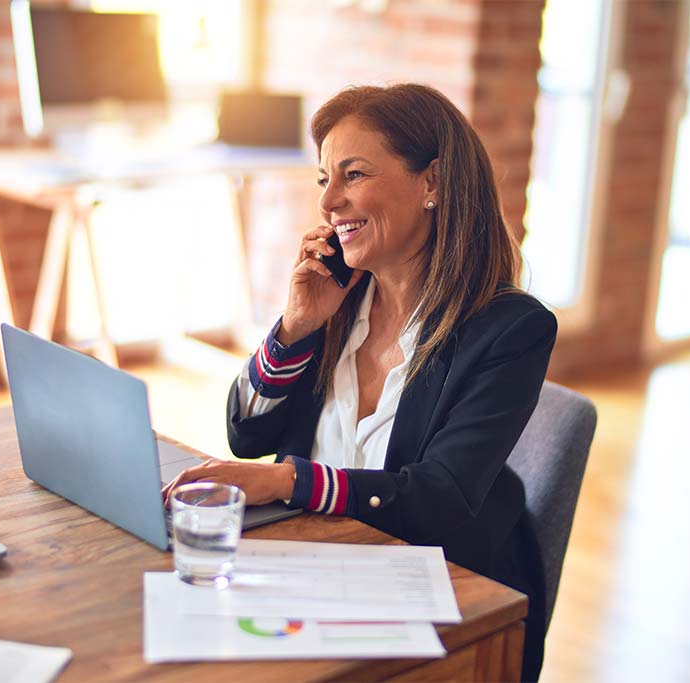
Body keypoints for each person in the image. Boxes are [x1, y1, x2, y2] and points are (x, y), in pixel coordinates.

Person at [164, 83, 556, 680]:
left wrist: (287, 481)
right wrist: (293, 331)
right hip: (320, 572)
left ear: (432, 183)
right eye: (325, 180)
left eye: (354, 174)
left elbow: (439, 499)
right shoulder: (336, 297)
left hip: (444, 595)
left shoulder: (510, 330)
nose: (330, 203)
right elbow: (244, 433)